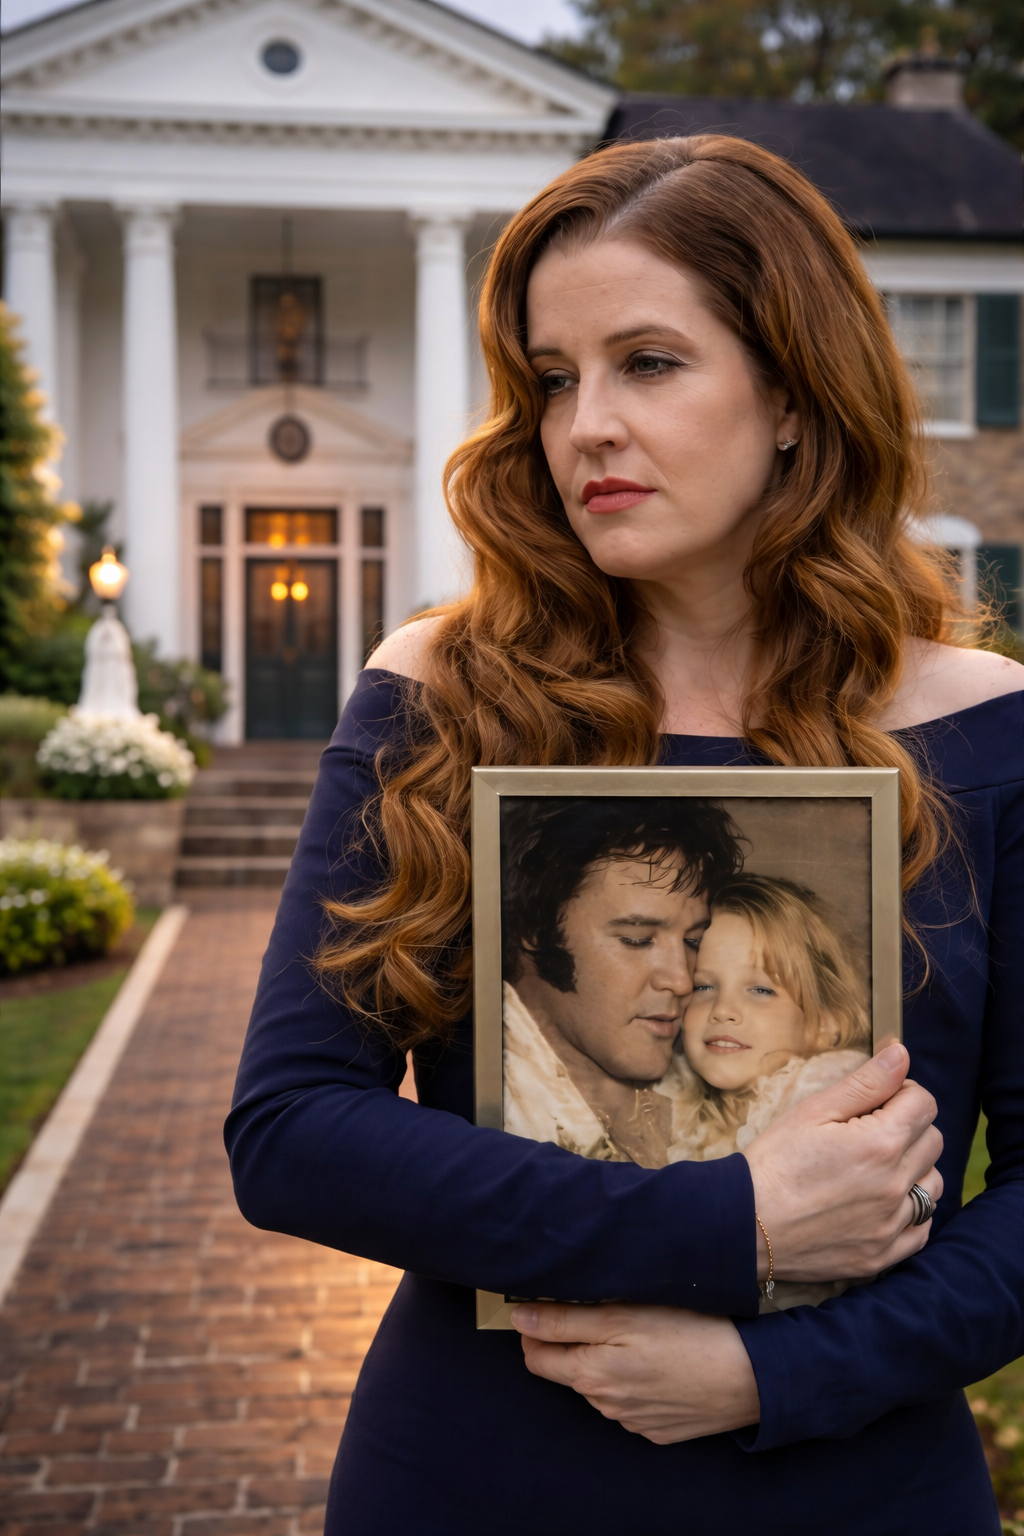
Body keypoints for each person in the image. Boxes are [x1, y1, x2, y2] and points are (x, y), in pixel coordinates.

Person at [226, 134, 1023, 1535]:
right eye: (552, 378)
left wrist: (776, 1374)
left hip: (859, 1488)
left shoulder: (990, 730)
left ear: (793, 394)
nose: (585, 424)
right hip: (475, 1477)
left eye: (648, 363)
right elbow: (293, 1128)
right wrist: (727, 1226)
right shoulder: (440, 693)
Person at [500, 798, 742, 1167]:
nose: (681, 981)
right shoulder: (483, 1096)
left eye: (693, 941)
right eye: (637, 939)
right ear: (535, 927)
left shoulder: (724, 1082)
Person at [671, 874, 872, 1312]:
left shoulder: (824, 1105)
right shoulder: (668, 1104)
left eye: (760, 989)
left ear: (827, 1021)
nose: (723, 1010)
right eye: (704, 986)